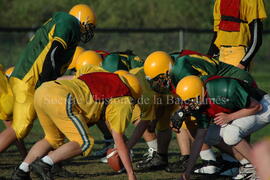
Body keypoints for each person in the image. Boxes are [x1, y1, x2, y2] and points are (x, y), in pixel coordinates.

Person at [0, 4, 96, 155]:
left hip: (32, 79)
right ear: (82, 20)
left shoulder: (67, 26)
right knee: (20, 128)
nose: (88, 31)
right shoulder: (69, 22)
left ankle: (49, 164)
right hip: (31, 80)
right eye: (89, 26)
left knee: (54, 125)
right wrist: (45, 83)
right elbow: (53, 53)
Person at [11, 69, 141, 180]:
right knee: (85, 143)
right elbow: (118, 140)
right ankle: (45, 163)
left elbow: (72, 77)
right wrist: (131, 174)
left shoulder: (102, 72)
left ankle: (22, 171)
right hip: (62, 96)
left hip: (44, 90)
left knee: (51, 139)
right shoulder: (123, 99)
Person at [140, 50, 256, 173]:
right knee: (198, 123)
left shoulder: (180, 70)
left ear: (167, 71)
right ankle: (220, 162)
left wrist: (182, 113)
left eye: (158, 79)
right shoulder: (172, 65)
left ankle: (244, 162)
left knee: (219, 128)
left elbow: (194, 99)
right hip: (222, 85)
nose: (158, 84)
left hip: (234, 83)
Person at [172, 75, 270, 180]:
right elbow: (200, 137)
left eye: (189, 102)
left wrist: (229, 117)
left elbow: (256, 106)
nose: (187, 106)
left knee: (230, 133)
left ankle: (262, 169)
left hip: (264, 106)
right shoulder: (200, 101)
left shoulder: (222, 88)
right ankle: (248, 165)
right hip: (245, 110)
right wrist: (187, 172)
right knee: (209, 135)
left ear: (200, 94)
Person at [208, 0, 267, 70]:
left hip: (238, 56)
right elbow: (217, 34)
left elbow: (257, 40)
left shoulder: (252, 1)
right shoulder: (220, 1)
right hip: (222, 54)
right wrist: (208, 58)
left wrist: (243, 63)